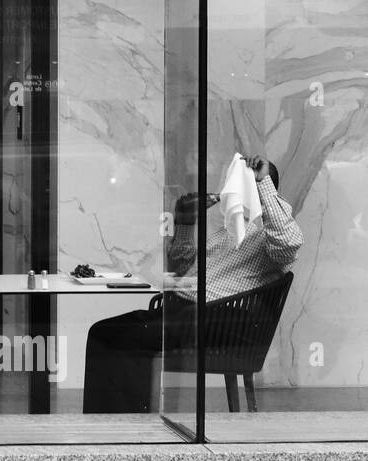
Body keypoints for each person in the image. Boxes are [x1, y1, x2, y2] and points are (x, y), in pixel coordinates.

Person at [82, 155, 303, 413]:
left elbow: (289, 241)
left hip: (221, 322)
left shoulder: (270, 234)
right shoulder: (231, 230)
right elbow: (182, 271)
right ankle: (101, 422)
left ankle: (129, 424)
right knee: (102, 332)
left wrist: (263, 181)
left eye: (241, 184)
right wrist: (185, 222)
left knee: (129, 338)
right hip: (188, 313)